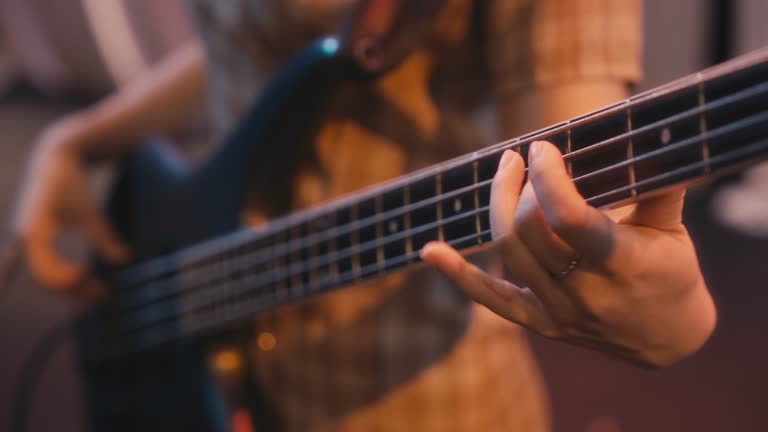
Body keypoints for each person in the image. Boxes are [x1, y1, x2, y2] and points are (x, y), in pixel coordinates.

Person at [8, 0, 716, 430]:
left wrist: (672, 316)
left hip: (405, 398)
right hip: (208, 350)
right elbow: (250, 40)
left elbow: (581, 167)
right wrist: (83, 136)